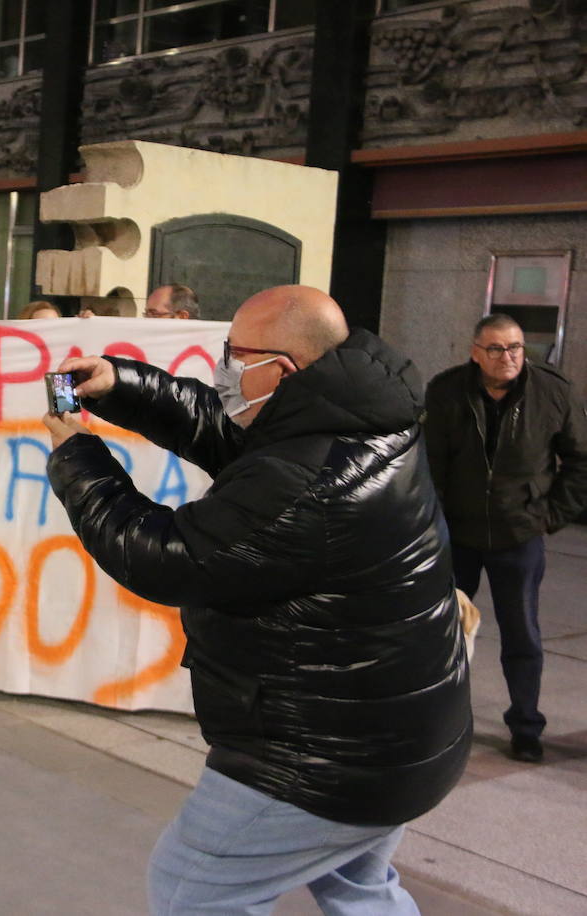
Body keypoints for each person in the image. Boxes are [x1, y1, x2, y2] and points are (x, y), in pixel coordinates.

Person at [43, 284, 470, 914]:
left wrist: (76, 457)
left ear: (286, 368)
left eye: (235, 356)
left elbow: (169, 558)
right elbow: (227, 432)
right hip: (397, 739)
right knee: (358, 886)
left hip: (325, 760)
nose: (223, 369)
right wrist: (121, 384)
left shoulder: (310, 478)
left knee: (192, 888)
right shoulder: (356, 413)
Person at [424, 314, 587, 764]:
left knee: (523, 636)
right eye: (496, 349)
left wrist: (548, 516)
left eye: (516, 347)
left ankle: (526, 726)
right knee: (444, 630)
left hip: (519, 536)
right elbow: (430, 463)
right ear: (476, 352)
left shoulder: (553, 392)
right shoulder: (447, 390)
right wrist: (433, 523)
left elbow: (580, 460)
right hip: (457, 535)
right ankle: (438, 721)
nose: (508, 357)